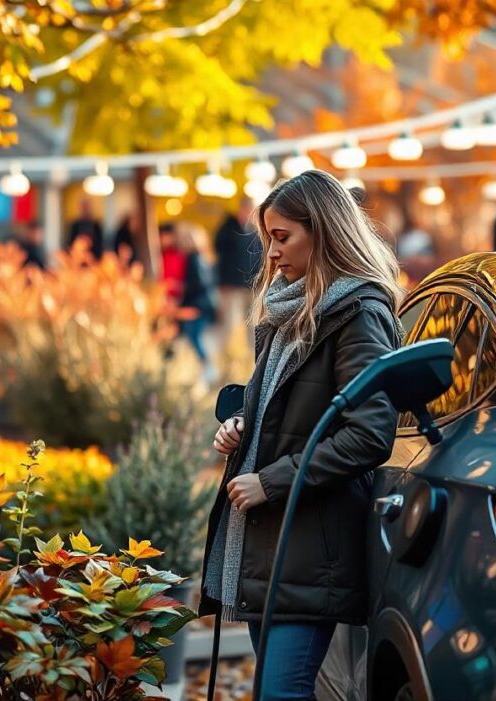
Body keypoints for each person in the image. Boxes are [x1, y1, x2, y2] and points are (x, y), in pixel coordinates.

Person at [199, 170, 402, 700]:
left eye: (282, 237)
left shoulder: (358, 315)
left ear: (325, 231)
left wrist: (272, 480)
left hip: (313, 543)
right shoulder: (287, 313)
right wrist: (241, 424)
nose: (270, 252)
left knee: (280, 695)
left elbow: (369, 434)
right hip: (275, 543)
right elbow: (284, 407)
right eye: (268, 237)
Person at [214, 197, 262, 346]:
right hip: (232, 286)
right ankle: (228, 360)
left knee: (254, 326)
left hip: (252, 287)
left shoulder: (257, 232)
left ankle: (252, 360)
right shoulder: (228, 228)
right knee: (231, 325)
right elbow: (218, 250)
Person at [176, 222, 217, 380]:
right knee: (194, 335)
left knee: (193, 335)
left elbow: (196, 284)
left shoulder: (193, 259)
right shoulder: (204, 257)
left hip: (196, 305)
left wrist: (183, 294)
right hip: (205, 303)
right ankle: (204, 367)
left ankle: (207, 366)